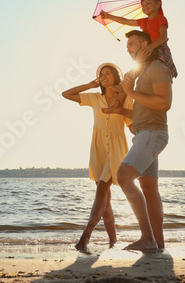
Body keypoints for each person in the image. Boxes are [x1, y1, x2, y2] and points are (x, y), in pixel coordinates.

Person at [104, 30, 173, 251]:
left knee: (124, 176)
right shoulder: (142, 73)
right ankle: (158, 242)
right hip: (144, 133)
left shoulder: (158, 69)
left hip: (152, 134)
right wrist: (120, 110)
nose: (127, 48)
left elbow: (164, 104)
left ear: (146, 45)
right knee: (149, 188)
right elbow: (143, 111)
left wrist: (130, 93)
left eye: (132, 44)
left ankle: (147, 238)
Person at [62, 63, 133, 251]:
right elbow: (66, 94)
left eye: (108, 73)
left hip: (116, 149)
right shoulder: (94, 98)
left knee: (102, 189)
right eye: (101, 74)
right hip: (98, 149)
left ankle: (85, 236)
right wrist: (88, 85)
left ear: (116, 77)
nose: (103, 76)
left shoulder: (124, 99)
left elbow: (132, 122)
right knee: (105, 199)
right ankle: (113, 241)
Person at [100, 0, 178, 79]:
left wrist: (151, 46)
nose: (145, 6)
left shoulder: (160, 19)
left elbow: (163, 36)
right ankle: (132, 78)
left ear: (157, 4)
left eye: (148, 3)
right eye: (143, 5)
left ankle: (133, 76)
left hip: (159, 48)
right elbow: (126, 21)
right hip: (148, 49)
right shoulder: (144, 21)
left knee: (140, 59)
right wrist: (108, 16)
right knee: (139, 60)